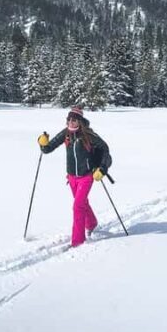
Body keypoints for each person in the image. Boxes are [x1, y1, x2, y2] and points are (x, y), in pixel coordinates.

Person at [38, 106, 110, 247]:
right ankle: (92, 222)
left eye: (74, 120)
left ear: (80, 122)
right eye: (69, 119)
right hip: (71, 177)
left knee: (77, 206)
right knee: (82, 203)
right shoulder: (66, 134)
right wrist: (42, 142)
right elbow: (48, 149)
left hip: (87, 176)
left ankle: (78, 241)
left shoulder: (88, 135)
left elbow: (104, 148)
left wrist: (102, 169)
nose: (71, 122)